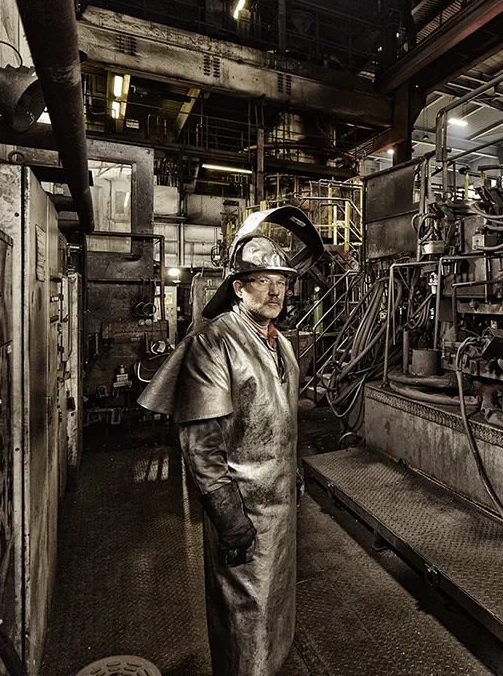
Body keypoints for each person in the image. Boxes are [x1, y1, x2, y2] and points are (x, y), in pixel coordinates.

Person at [139, 232, 305, 675]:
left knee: (275, 617)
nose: (275, 292)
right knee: (244, 623)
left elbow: (282, 423)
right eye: (263, 280)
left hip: (280, 510)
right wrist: (230, 520)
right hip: (244, 514)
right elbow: (201, 447)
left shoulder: (282, 345)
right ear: (239, 287)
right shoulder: (215, 343)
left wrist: (295, 474)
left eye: (282, 283)